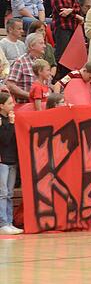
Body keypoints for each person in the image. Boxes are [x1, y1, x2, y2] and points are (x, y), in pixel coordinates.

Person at [0, 92, 21, 235]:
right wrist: (11, 124)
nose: (13, 105)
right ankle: (3, 223)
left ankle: (9, 221)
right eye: (9, 103)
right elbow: (4, 140)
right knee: (3, 193)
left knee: (9, 194)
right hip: (2, 160)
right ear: (1, 106)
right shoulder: (3, 120)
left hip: (12, 159)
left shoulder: (10, 118)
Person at [5, 33, 45, 103]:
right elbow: (10, 85)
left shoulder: (42, 62)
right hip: (25, 106)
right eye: (41, 43)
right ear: (32, 46)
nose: (44, 46)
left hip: (42, 105)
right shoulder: (20, 62)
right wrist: (31, 96)